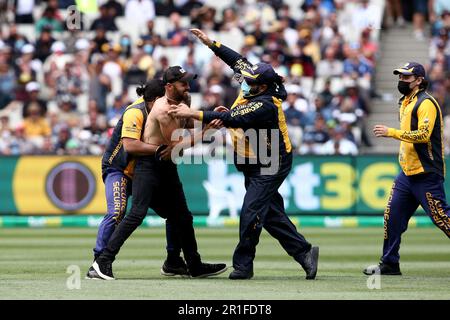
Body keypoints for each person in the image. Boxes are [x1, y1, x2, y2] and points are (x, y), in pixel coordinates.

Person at [169, 29, 319, 280]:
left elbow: (230, 118)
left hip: (270, 161)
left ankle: (243, 265)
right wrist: (211, 43)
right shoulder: (255, 82)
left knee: (251, 211)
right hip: (252, 158)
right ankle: (304, 253)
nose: (244, 82)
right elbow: (236, 61)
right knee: (270, 214)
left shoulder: (266, 104)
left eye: (250, 82)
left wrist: (191, 113)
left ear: (263, 86)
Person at [92, 66, 227, 280]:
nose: (188, 87)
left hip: (164, 165)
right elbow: (174, 146)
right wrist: (210, 129)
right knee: (131, 214)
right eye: (184, 83)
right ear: (168, 88)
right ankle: (102, 261)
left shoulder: (181, 103)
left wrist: (209, 117)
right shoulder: (157, 110)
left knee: (181, 216)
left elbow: (186, 123)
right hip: (138, 166)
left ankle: (191, 264)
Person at [86, 79, 187, 279]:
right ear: (157, 99)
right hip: (119, 170)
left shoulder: (158, 112)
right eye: (167, 101)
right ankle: (98, 262)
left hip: (143, 173)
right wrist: (161, 150)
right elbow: (130, 146)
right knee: (117, 211)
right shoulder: (136, 112)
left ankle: (173, 261)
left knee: (175, 214)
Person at [364, 62, 450, 276]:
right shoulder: (405, 101)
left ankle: (390, 262)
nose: (401, 81)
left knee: (442, 218)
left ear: (419, 80)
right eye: (400, 77)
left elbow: (423, 135)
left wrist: (391, 132)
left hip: (427, 173)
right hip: (407, 173)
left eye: (406, 78)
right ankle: (390, 263)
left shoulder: (426, 102)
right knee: (391, 217)